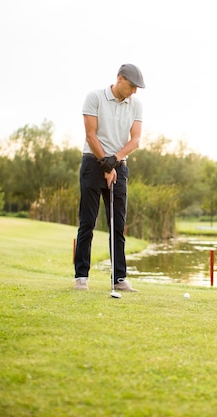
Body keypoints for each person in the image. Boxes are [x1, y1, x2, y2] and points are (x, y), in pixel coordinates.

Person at [73, 63, 145, 292]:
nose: (134, 92)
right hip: (92, 163)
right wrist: (105, 163)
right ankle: (81, 276)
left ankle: (118, 278)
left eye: (137, 88)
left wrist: (114, 161)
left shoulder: (136, 104)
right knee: (87, 222)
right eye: (132, 86)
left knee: (118, 225)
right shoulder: (94, 97)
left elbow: (135, 141)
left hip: (119, 166)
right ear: (120, 78)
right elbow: (90, 135)